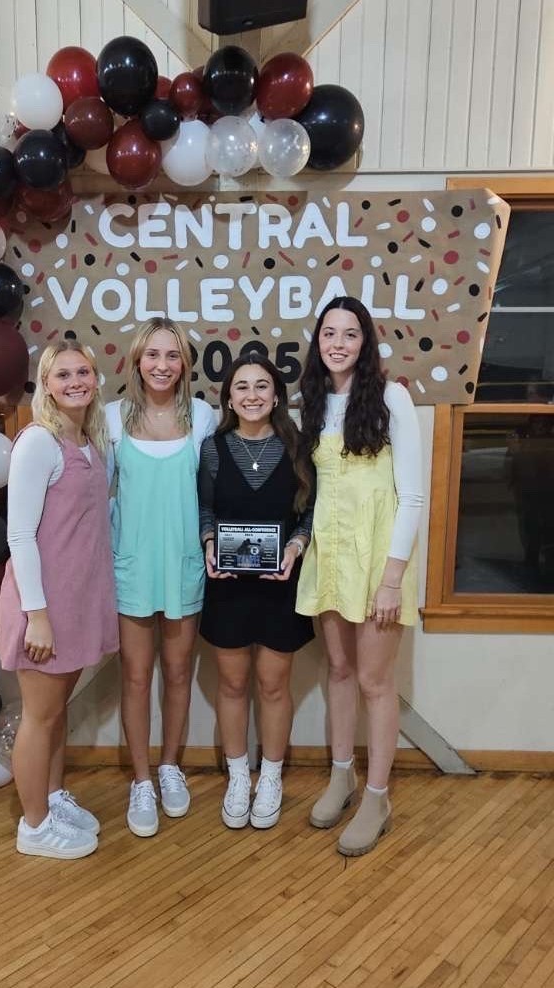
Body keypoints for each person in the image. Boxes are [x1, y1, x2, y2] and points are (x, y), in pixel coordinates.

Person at [296, 296, 423, 857]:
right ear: (318, 341)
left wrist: (392, 579)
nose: (339, 343)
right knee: (341, 670)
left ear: (365, 344)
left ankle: (377, 795)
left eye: (351, 334)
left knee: (375, 681)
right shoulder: (315, 402)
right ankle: (341, 776)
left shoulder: (392, 398)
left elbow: (413, 495)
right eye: (330, 333)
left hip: (378, 560)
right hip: (331, 553)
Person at [0, 341, 119, 859]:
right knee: (39, 716)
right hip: (43, 605)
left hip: (77, 597)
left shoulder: (89, 439)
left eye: (84, 372)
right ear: (46, 384)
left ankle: (50, 796)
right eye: (63, 374)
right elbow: (20, 536)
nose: (76, 381)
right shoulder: (38, 442)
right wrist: (37, 617)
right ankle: (33, 827)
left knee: (57, 710)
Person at [106, 317, 217, 838]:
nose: (162, 365)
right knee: (134, 677)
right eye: (152, 355)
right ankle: (142, 779)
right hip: (131, 568)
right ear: (135, 361)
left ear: (185, 365)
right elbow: (92, 501)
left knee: (177, 674)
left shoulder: (202, 416)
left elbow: (216, 496)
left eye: (172, 356)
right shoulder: (109, 420)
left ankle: (171, 766)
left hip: (182, 566)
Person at [198, 353, 315, 830]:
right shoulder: (212, 448)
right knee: (231, 684)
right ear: (228, 396)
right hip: (226, 586)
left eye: (262, 386)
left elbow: (309, 512)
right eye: (241, 387)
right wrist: (209, 544)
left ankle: (270, 775)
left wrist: (295, 546)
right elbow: (204, 510)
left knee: (272, 685)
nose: (251, 395)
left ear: (277, 395)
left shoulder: (298, 447)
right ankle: (237, 775)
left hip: (279, 585)